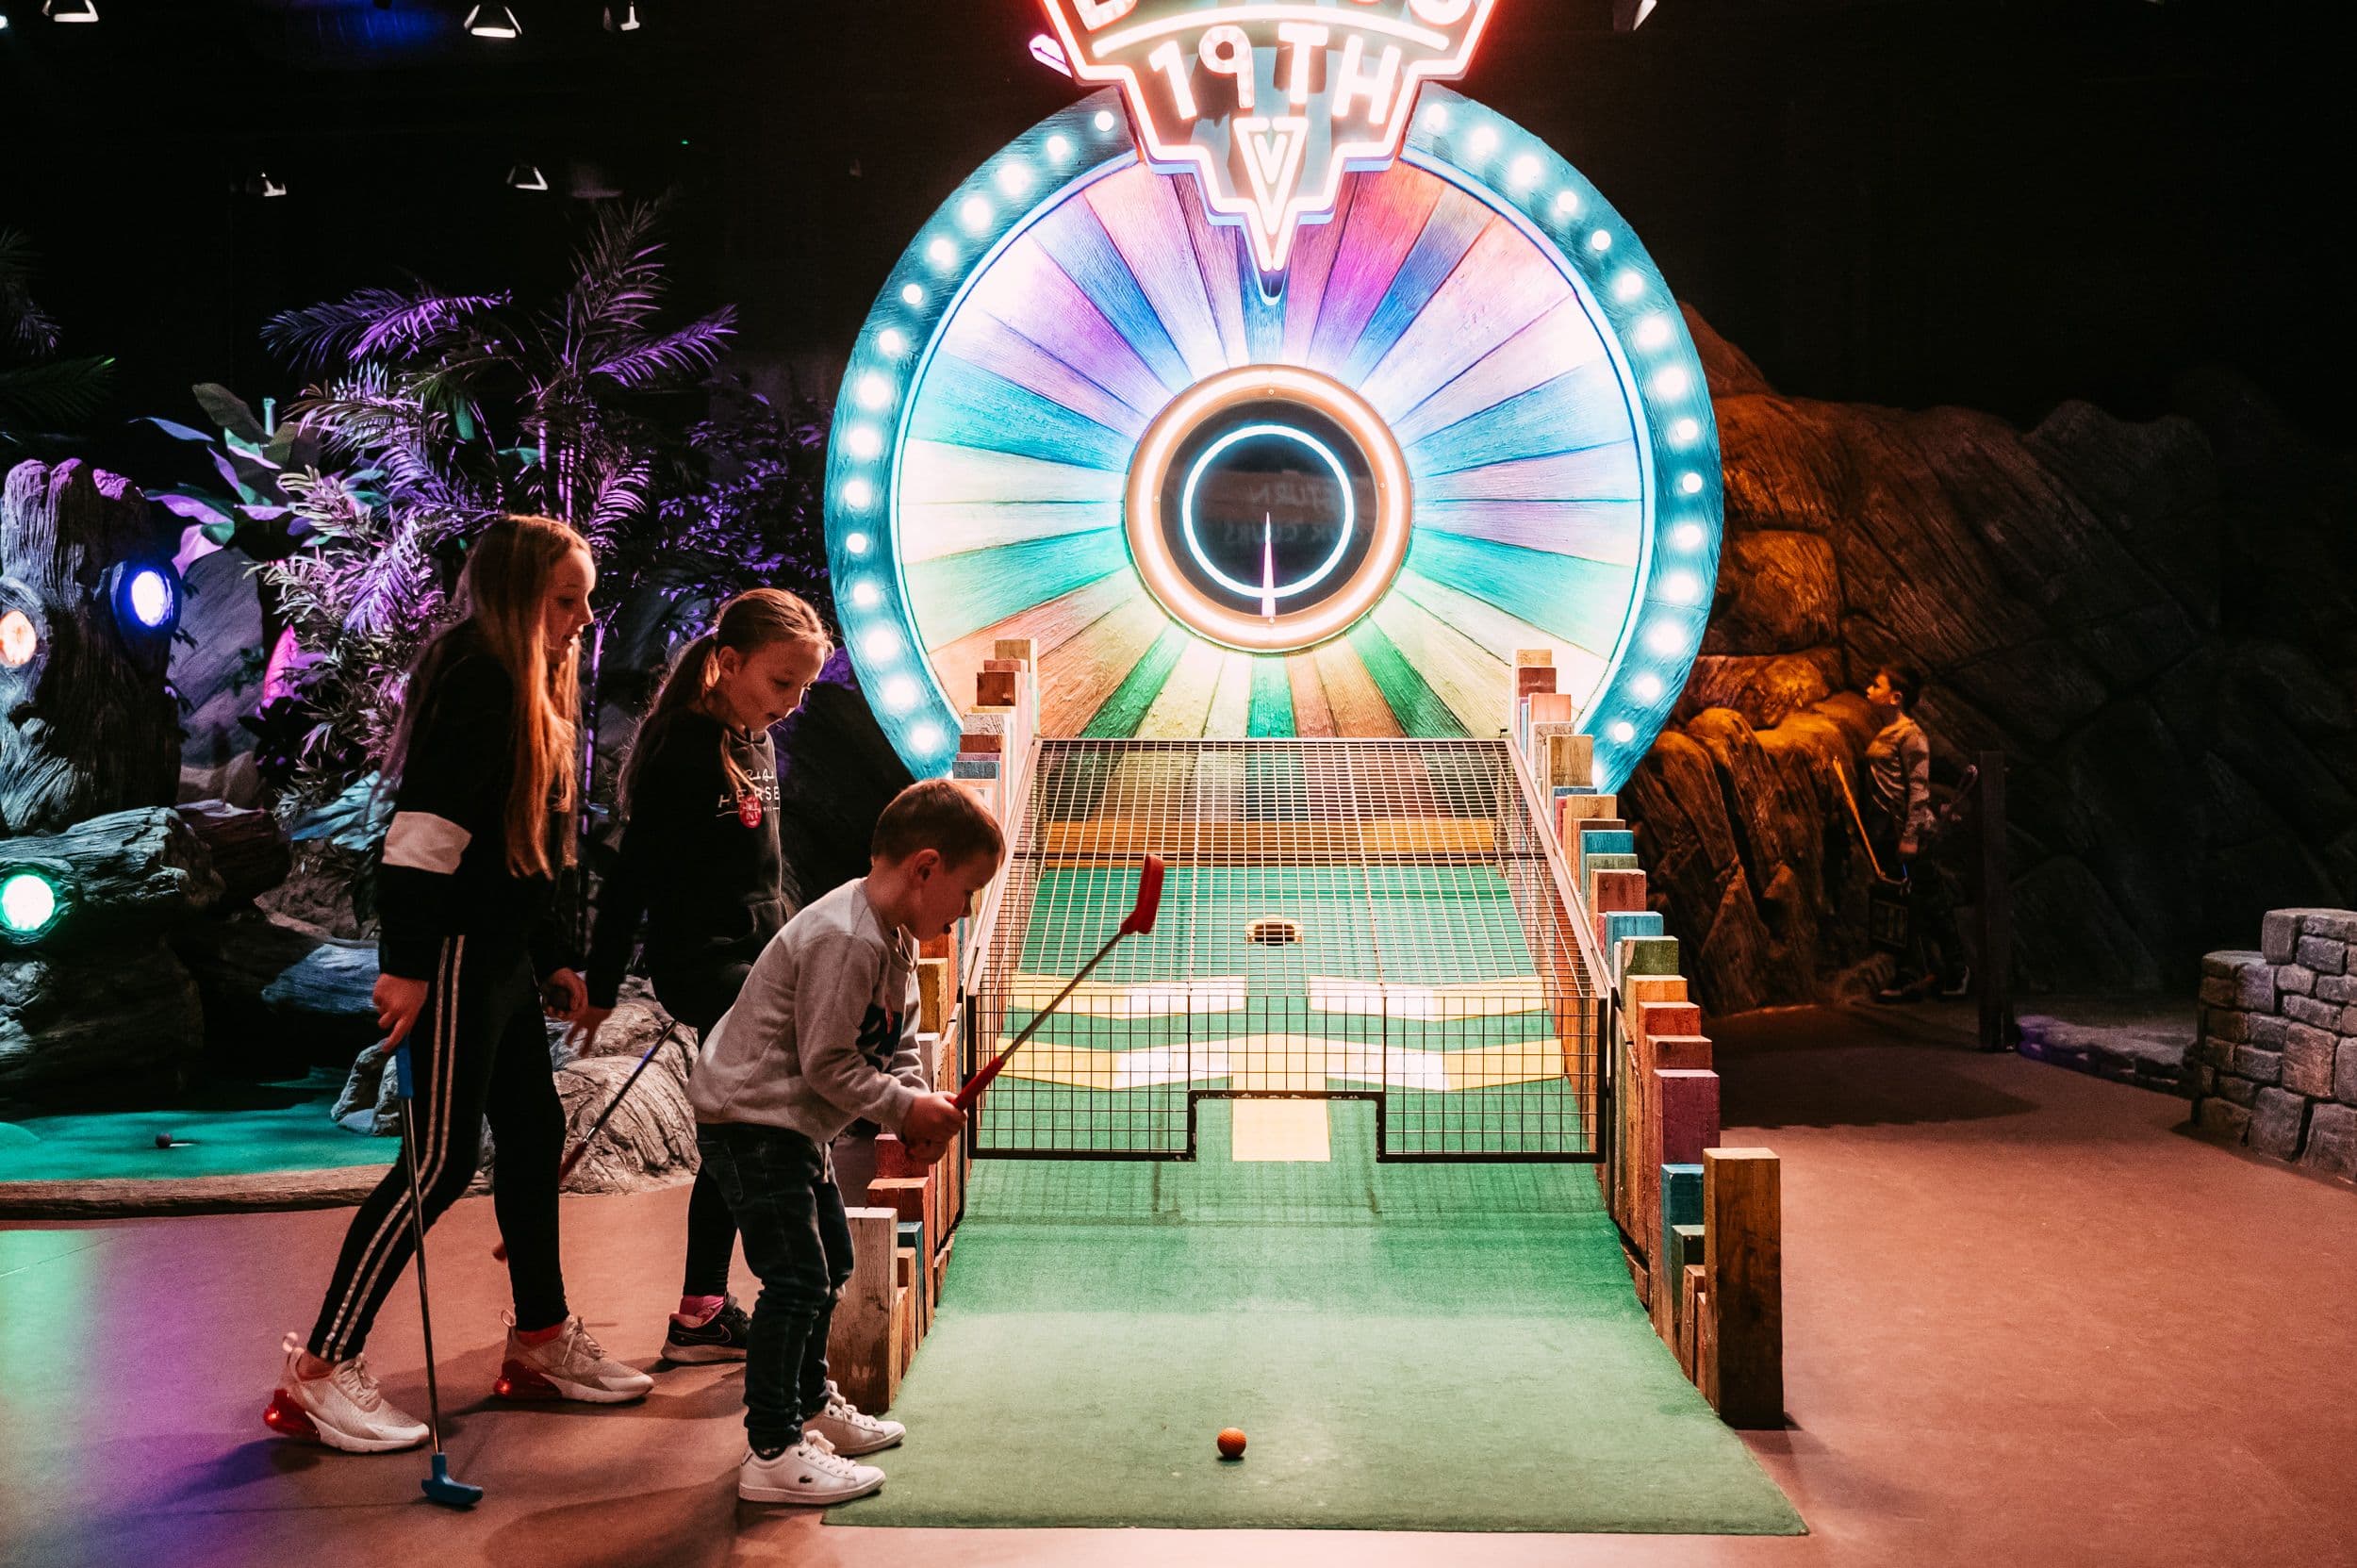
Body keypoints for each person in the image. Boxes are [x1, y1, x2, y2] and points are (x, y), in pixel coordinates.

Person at [267, 515, 651, 1455]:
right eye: (567, 599)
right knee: (437, 1162)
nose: (585, 617)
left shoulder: (530, 685)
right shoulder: (480, 677)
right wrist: (404, 965)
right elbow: (424, 833)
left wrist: (555, 953)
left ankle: (542, 1335)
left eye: (586, 597)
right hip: (451, 957)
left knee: (532, 1134)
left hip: (500, 955)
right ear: (522, 595)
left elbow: (530, 845)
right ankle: (319, 1369)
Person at [691, 778, 1001, 1505]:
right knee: (795, 1277)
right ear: (926, 867)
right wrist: (903, 1106)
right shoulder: (846, 936)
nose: (963, 913)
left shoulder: (893, 940)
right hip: (753, 1120)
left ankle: (808, 1403)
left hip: (795, 1126)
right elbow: (826, 1061)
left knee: (829, 1261)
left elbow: (894, 1048)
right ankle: (771, 1448)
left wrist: (912, 1112)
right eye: (966, 891)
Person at [570, 587, 832, 1363]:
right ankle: (749, 1296)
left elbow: (767, 876)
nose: (792, 702)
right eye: (781, 682)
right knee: (751, 1132)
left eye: (804, 687)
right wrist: (602, 980)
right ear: (727, 663)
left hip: (755, 964)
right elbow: (632, 877)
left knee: (737, 1133)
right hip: (704, 968)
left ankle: (701, 1308)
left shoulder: (755, 740)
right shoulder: (684, 749)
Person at [1863, 663, 1966, 1002]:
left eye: (1876, 685)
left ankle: (1954, 969)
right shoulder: (1885, 733)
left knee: (1929, 903)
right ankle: (1916, 973)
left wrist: (1910, 836)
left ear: (1895, 697)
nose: (1869, 689)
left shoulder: (1911, 736)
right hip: (1888, 833)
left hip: (1909, 834)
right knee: (1908, 906)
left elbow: (1919, 790)